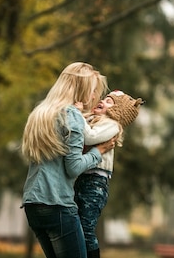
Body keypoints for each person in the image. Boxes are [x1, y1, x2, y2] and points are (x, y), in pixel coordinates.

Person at [21, 62, 118, 258]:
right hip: (57, 204)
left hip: (33, 204)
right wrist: (99, 151)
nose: (93, 97)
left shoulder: (41, 113)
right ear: (82, 88)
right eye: (92, 91)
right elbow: (73, 167)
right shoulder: (71, 115)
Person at [74, 90, 144, 258]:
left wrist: (76, 113)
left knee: (86, 228)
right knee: (76, 225)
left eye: (109, 102)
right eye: (104, 99)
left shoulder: (112, 125)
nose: (103, 102)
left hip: (95, 184)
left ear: (117, 112)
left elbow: (90, 137)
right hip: (83, 178)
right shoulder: (94, 119)